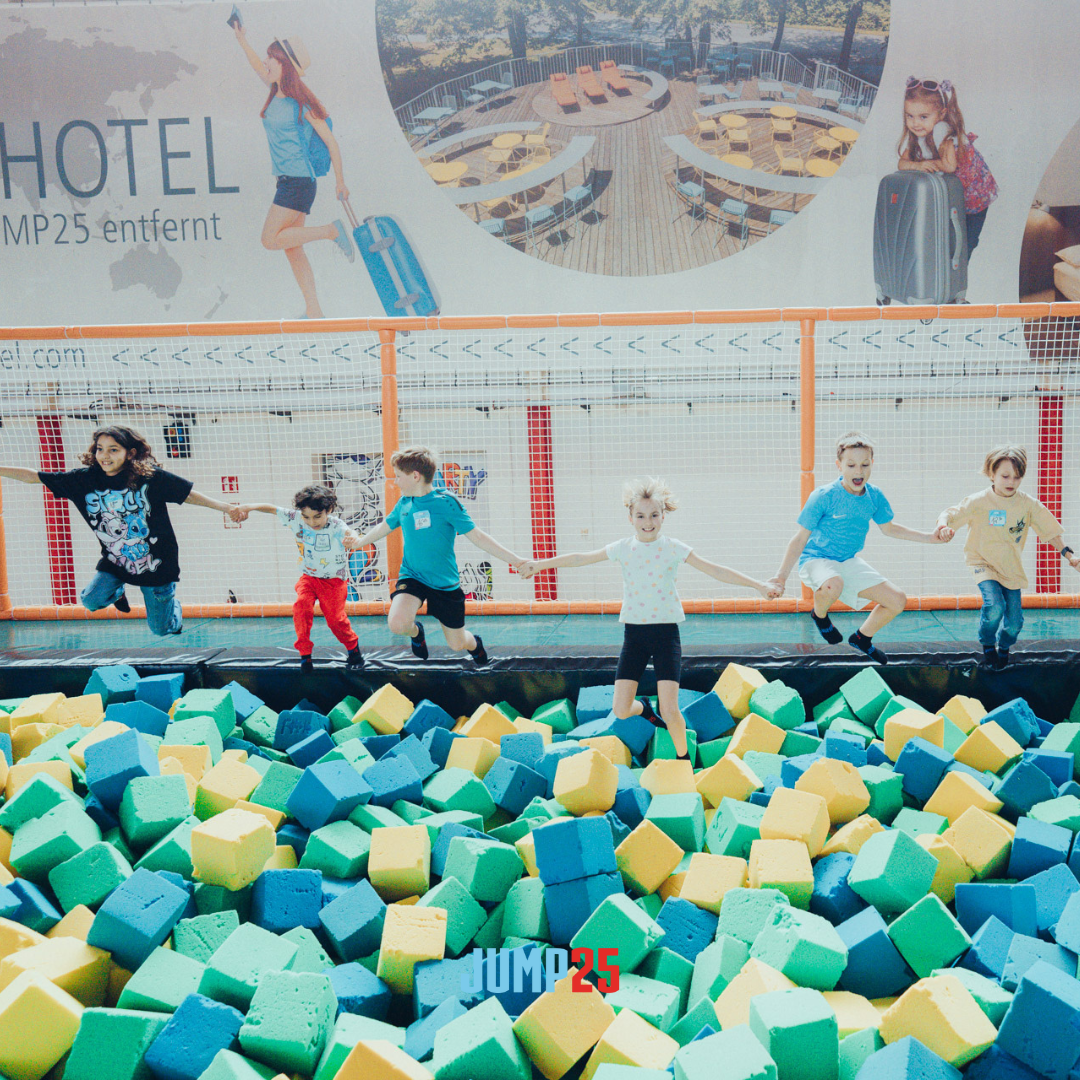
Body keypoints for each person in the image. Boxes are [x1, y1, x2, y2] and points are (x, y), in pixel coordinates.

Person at [518, 478, 779, 760]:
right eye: (641, 516)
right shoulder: (622, 548)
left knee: (670, 710)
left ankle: (683, 761)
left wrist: (758, 585)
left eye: (654, 515)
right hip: (635, 638)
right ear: (630, 518)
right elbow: (580, 558)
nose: (648, 522)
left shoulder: (673, 547)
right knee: (620, 710)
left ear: (663, 515)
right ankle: (644, 708)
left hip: (666, 636)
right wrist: (540, 565)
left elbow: (715, 570)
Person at [0, 425, 242, 635]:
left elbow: (187, 495)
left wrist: (225, 507)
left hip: (157, 563)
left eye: (113, 449)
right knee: (90, 601)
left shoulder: (149, 478)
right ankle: (117, 593)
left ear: (130, 453)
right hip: (117, 561)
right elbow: (34, 477)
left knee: (162, 629)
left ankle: (172, 610)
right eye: (100, 449)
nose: (104, 456)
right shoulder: (83, 480)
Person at [768, 431, 948, 665]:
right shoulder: (823, 496)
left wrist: (929, 538)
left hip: (848, 560)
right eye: (851, 465)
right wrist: (780, 577)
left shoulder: (874, 496)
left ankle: (862, 638)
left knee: (897, 600)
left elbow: (890, 528)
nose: (858, 471)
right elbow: (800, 539)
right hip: (816, 559)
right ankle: (820, 615)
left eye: (864, 464)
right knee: (834, 583)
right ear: (839, 465)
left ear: (872, 464)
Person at [352, 446, 526, 664]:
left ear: (415, 476)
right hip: (413, 576)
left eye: (398, 477)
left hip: (445, 585)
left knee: (457, 644)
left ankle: (475, 644)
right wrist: (359, 542)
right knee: (397, 623)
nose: (395, 482)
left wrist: (516, 561)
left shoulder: (446, 502)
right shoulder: (404, 503)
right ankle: (417, 633)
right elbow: (384, 527)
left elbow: (479, 537)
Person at [233, 23, 354, 318]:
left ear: (284, 64)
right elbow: (253, 63)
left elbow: (332, 143)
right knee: (293, 248)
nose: (265, 62)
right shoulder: (275, 92)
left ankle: (331, 231)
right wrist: (241, 39)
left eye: (271, 58)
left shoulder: (303, 104)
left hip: (299, 182)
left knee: (270, 239)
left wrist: (341, 181)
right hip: (288, 181)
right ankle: (314, 310)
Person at [936, 446, 1079, 669]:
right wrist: (943, 525)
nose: (1011, 481)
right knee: (994, 606)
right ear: (991, 474)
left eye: (1017, 476)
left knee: (1014, 624)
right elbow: (950, 513)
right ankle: (987, 644)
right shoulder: (979, 501)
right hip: (982, 562)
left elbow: (1051, 531)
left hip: (1010, 568)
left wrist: (1070, 556)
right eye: (1005, 476)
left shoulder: (1027, 504)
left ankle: (1004, 647)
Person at [234, 484, 365, 672]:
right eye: (307, 517)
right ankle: (305, 655)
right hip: (309, 578)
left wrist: (353, 538)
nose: (312, 522)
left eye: (317, 516)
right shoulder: (296, 519)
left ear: (328, 510)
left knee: (336, 620)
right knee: (301, 607)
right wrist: (249, 507)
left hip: (334, 582)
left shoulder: (336, 525)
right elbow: (271, 508)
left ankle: (354, 650)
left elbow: (349, 533)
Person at [896, 77, 998, 256]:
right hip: (955, 193)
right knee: (948, 238)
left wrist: (927, 163)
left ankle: (958, 274)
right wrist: (918, 166)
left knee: (967, 240)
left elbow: (950, 166)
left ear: (941, 115)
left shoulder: (944, 133)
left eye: (923, 117)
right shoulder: (919, 136)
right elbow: (901, 163)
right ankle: (946, 272)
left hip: (976, 194)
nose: (915, 123)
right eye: (909, 116)